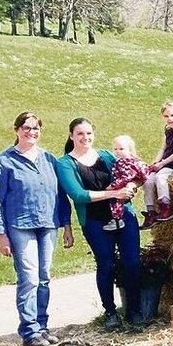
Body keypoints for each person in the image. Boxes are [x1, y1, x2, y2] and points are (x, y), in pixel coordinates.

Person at [54, 118, 144, 330]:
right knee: (106, 265)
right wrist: (114, 193)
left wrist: (132, 184)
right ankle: (110, 311)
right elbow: (78, 194)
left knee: (132, 263)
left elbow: (134, 172)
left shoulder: (106, 155)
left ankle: (134, 309)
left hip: (124, 215)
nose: (85, 138)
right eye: (80, 134)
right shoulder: (65, 163)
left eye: (88, 133)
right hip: (95, 221)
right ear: (71, 136)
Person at [0, 113, 74, 346]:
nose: (31, 132)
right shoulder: (5, 161)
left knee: (44, 277)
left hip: (48, 223)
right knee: (29, 278)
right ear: (16, 129)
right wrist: (1, 233)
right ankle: (29, 331)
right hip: (20, 225)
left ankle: (42, 326)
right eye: (26, 127)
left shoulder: (49, 159)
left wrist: (67, 226)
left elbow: (61, 195)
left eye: (36, 128)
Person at [142, 101, 173, 225]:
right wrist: (156, 161)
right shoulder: (168, 130)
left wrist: (162, 164)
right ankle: (151, 211)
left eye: (172, 115)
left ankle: (166, 207)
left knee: (160, 177)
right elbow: (163, 147)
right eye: (166, 116)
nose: (170, 119)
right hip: (164, 162)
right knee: (148, 179)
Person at [107, 135, 151, 230]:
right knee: (114, 201)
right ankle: (116, 219)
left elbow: (126, 177)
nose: (118, 151)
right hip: (120, 185)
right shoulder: (121, 161)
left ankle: (118, 220)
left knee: (116, 202)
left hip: (122, 186)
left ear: (130, 150)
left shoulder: (129, 163)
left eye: (121, 149)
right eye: (115, 149)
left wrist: (113, 186)